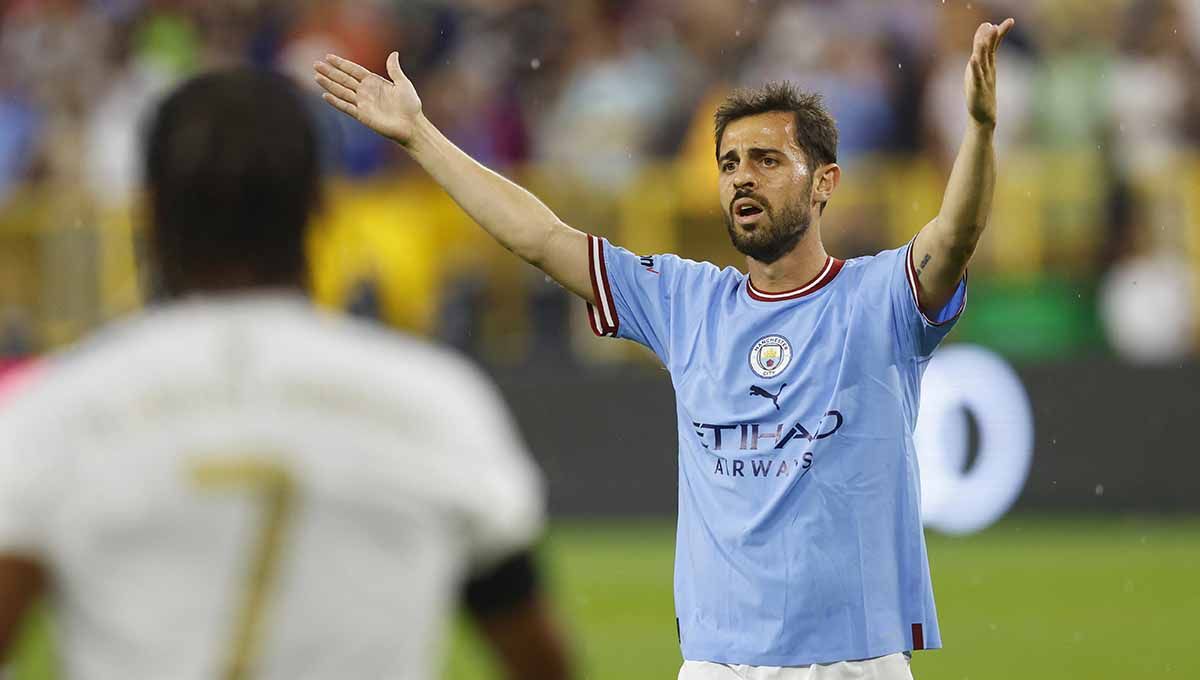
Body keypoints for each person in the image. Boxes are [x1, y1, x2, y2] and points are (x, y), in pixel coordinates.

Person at [315, 16, 1014, 680]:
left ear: (824, 182)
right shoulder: (686, 299)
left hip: (851, 664)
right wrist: (419, 136)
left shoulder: (878, 298)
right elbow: (540, 238)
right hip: (714, 665)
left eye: (767, 160)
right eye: (730, 162)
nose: (742, 177)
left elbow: (953, 237)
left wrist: (979, 130)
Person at [0, 70, 571, 680]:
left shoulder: (62, 405)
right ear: (319, 205)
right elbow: (538, 656)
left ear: (149, 210)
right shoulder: (437, 401)